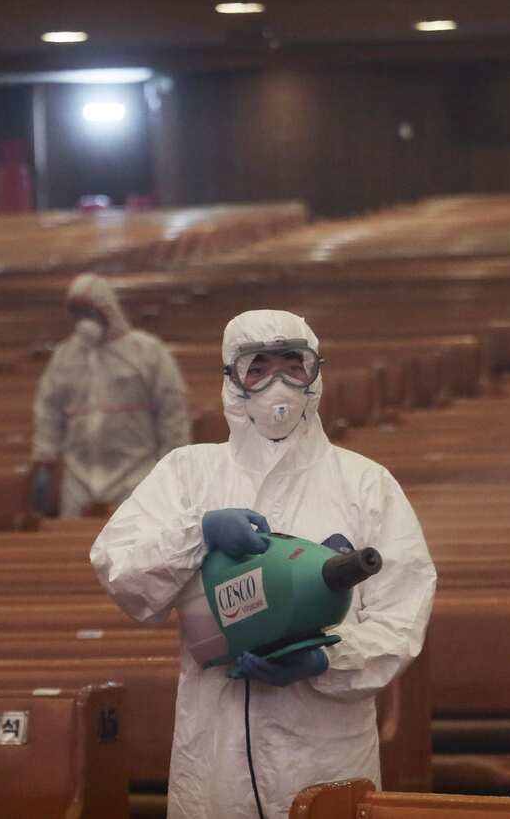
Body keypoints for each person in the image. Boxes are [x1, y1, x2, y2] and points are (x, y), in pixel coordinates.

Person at [89, 309, 437, 819]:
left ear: (315, 373)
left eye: (292, 365)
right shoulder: (187, 474)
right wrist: (197, 533)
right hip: (215, 750)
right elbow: (119, 570)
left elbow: (402, 618)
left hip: (324, 751)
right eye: (258, 366)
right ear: (233, 380)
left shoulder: (366, 484)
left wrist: (326, 660)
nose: (278, 382)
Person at [30, 273, 190, 518]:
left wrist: (173, 465)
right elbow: (48, 408)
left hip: (136, 471)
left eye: (90, 313)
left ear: (108, 310)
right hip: (78, 474)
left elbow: (172, 411)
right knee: (75, 544)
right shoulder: (66, 356)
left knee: (135, 540)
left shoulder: (146, 351)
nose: (85, 321)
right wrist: (45, 455)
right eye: (79, 314)